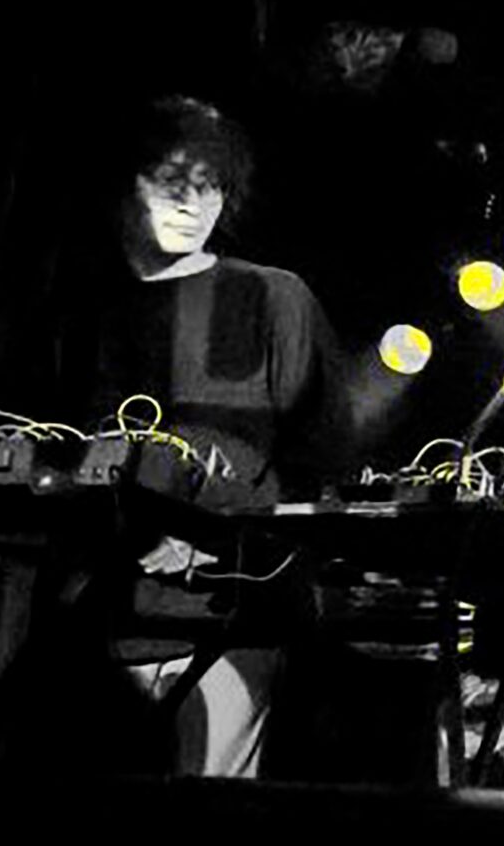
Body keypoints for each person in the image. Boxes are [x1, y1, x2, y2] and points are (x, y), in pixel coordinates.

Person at [52, 96, 348, 777]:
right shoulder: (82, 312)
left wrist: (213, 539)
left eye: (209, 183)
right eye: (170, 177)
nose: (191, 200)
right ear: (123, 184)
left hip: (224, 620)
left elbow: (321, 462)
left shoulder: (274, 297)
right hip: (96, 620)